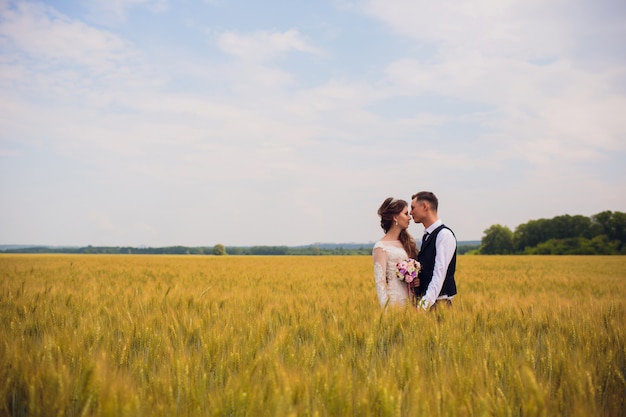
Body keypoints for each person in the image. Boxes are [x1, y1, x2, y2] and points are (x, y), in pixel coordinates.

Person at [409, 191, 457, 311]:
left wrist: (422, 306)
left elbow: (439, 274)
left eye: (413, 208)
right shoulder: (428, 236)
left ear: (425, 206)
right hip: (429, 302)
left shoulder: (444, 235)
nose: (410, 212)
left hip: (438, 305)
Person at [372, 197, 418, 307]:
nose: (409, 217)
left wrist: (415, 281)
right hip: (394, 302)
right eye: (406, 214)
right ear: (395, 217)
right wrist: (386, 310)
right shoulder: (381, 247)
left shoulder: (407, 243)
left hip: (410, 301)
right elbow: (380, 283)